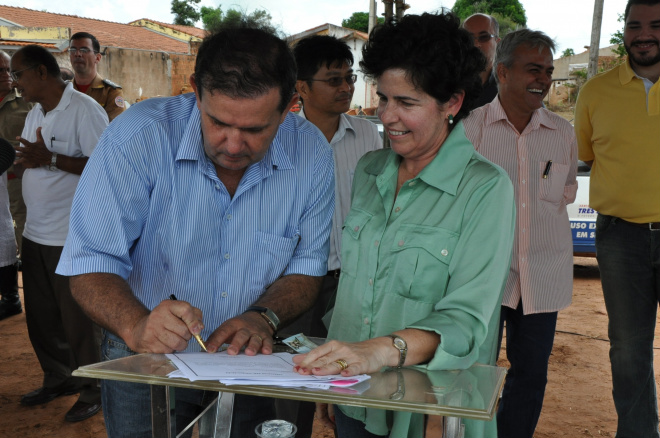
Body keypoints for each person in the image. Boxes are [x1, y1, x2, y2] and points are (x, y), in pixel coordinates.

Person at [55, 26, 334, 438]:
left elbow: (307, 267)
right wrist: (136, 325)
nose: (234, 144)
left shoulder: (310, 153)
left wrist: (262, 317)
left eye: (256, 130)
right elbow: (90, 262)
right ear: (195, 92)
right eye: (218, 122)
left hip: (247, 360)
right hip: (145, 358)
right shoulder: (137, 137)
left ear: (290, 105)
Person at [292, 12, 516, 438]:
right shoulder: (371, 170)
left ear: (451, 102)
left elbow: (466, 321)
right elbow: (355, 290)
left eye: (407, 103)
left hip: (431, 409)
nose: (388, 117)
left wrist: (380, 351)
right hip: (356, 394)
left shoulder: (485, 189)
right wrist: (334, 367)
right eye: (383, 99)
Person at [463, 29, 578, 438]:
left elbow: (562, 196)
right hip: (482, 278)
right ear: (503, 72)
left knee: (531, 376)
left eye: (547, 71)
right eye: (534, 70)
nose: (544, 80)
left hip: (542, 275)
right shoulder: (471, 129)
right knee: (472, 373)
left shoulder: (561, 133)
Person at [275, 34, 382, 438]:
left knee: (352, 383)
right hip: (293, 283)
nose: (345, 87)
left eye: (349, 78)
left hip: (352, 282)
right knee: (291, 381)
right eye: (333, 79)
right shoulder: (279, 139)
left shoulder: (368, 136)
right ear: (301, 87)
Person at [574, 0, 660, 436]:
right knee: (628, 352)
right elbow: (585, 154)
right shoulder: (596, 92)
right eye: (635, 25)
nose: (644, 34)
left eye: (656, 25)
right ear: (624, 31)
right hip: (620, 240)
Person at [11, 44, 108, 422]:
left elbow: (104, 166)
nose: (15, 82)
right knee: (42, 317)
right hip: (35, 231)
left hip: (71, 236)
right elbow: (30, 159)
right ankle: (58, 377)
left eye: (18, 74)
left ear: (40, 72)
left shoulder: (85, 110)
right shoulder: (35, 111)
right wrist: (20, 163)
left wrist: (48, 159)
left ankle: (92, 388)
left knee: (78, 322)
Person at [0, 50, 30, 320]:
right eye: (0, 71)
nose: (6, 77)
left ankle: (22, 293)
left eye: (9, 71)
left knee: (20, 232)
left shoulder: (25, 102)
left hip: (17, 180)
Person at [69, 32, 125, 121]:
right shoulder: (63, 90)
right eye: (73, 50)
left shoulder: (110, 92)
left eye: (84, 50)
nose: (77, 54)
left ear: (98, 58)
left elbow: (114, 129)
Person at [463, 13, 500, 107]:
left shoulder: (509, 86)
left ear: (497, 42)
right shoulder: (447, 83)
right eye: (469, 38)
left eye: (483, 37)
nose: (476, 44)